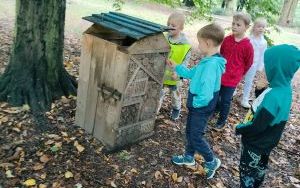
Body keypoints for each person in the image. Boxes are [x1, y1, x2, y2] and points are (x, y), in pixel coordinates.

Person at [235, 44, 300, 188]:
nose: (264, 69)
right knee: (259, 170)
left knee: (247, 173)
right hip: (267, 142)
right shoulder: (283, 89)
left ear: (276, 68)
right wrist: (259, 90)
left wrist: (240, 129)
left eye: (267, 66)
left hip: (255, 143)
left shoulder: (274, 96)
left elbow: (258, 124)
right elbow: (265, 108)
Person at [169, 23, 226, 179]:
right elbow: (193, 73)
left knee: (196, 136)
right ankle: (188, 157)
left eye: (199, 42)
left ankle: (211, 161)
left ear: (207, 43)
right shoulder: (208, 60)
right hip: (199, 104)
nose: (198, 45)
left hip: (201, 105)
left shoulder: (211, 65)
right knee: (190, 131)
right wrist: (177, 67)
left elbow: (206, 93)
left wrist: (195, 104)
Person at [215, 12, 254, 129]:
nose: (234, 26)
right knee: (216, 95)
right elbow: (221, 54)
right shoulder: (227, 40)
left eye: (238, 25)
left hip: (232, 79)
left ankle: (221, 120)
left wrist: (240, 74)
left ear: (246, 27)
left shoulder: (248, 46)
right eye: (233, 24)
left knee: (226, 100)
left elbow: (249, 63)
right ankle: (215, 109)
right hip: (220, 74)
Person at [157, 12, 191, 120]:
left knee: (175, 95)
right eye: (168, 24)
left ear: (181, 28)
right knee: (159, 94)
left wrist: (179, 73)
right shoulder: (164, 39)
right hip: (162, 74)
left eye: (173, 26)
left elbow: (185, 62)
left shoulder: (185, 45)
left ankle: (176, 108)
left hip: (175, 76)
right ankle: (155, 110)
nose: (169, 27)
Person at [241, 18, 268, 108]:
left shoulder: (264, 42)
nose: (261, 28)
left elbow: (262, 56)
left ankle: (245, 99)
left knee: (249, 81)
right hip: (243, 63)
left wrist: (260, 67)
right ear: (254, 27)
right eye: (259, 26)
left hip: (253, 65)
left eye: (263, 27)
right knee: (238, 77)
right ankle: (232, 91)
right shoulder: (248, 39)